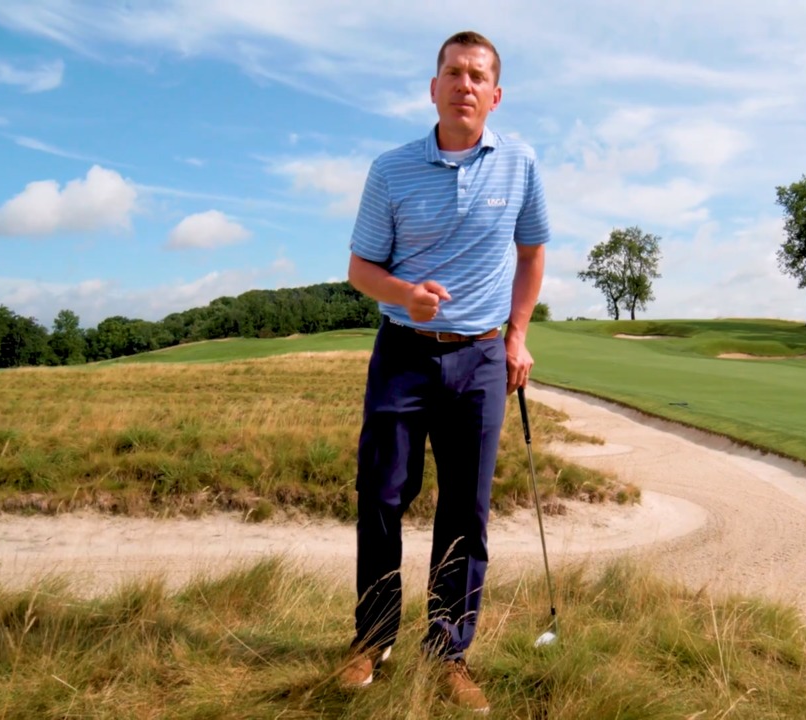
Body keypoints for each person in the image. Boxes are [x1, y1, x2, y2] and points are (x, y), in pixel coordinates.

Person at [336, 29, 549, 713]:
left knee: (466, 512)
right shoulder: (391, 169)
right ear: (434, 88)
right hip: (403, 351)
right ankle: (372, 640)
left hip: (482, 356)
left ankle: (449, 651)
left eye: (477, 75)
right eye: (452, 73)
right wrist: (406, 294)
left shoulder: (520, 163)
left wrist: (518, 336)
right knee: (382, 498)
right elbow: (359, 269)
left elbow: (532, 252)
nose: (464, 84)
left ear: (495, 94)